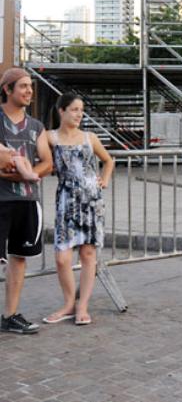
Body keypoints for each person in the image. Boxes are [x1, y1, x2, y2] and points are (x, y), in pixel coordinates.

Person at [43, 92, 113, 326]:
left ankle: (82, 306)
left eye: (81, 110)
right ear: (61, 111)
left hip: (91, 200)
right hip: (66, 201)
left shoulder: (89, 137)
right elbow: (40, 158)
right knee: (62, 257)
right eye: (74, 109)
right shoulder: (50, 137)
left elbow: (108, 160)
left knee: (88, 254)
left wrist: (104, 179)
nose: (79, 114)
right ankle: (68, 304)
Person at [0, 67, 53, 334]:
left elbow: (47, 162)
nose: (29, 91)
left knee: (19, 257)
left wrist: (27, 177)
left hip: (27, 200)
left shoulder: (36, 126)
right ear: (7, 90)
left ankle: (10, 315)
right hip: (0, 199)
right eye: (22, 86)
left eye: (30, 86)